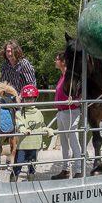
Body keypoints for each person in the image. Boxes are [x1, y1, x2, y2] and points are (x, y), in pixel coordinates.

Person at [51, 51, 83, 179]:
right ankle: (65, 169)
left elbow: (80, 90)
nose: (55, 61)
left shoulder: (70, 77)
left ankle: (79, 170)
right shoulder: (63, 77)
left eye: (57, 59)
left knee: (74, 142)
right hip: (61, 112)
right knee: (64, 143)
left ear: (63, 62)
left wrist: (79, 98)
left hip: (70, 111)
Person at [12, 84, 51, 180]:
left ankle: (31, 182)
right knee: (17, 165)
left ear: (35, 99)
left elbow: (41, 126)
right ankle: (13, 183)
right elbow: (19, 124)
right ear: (23, 100)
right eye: (26, 99)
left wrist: (48, 130)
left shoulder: (38, 113)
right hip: (23, 145)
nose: (29, 101)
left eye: (31, 98)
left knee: (32, 166)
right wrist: (24, 130)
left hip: (34, 144)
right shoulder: (19, 113)